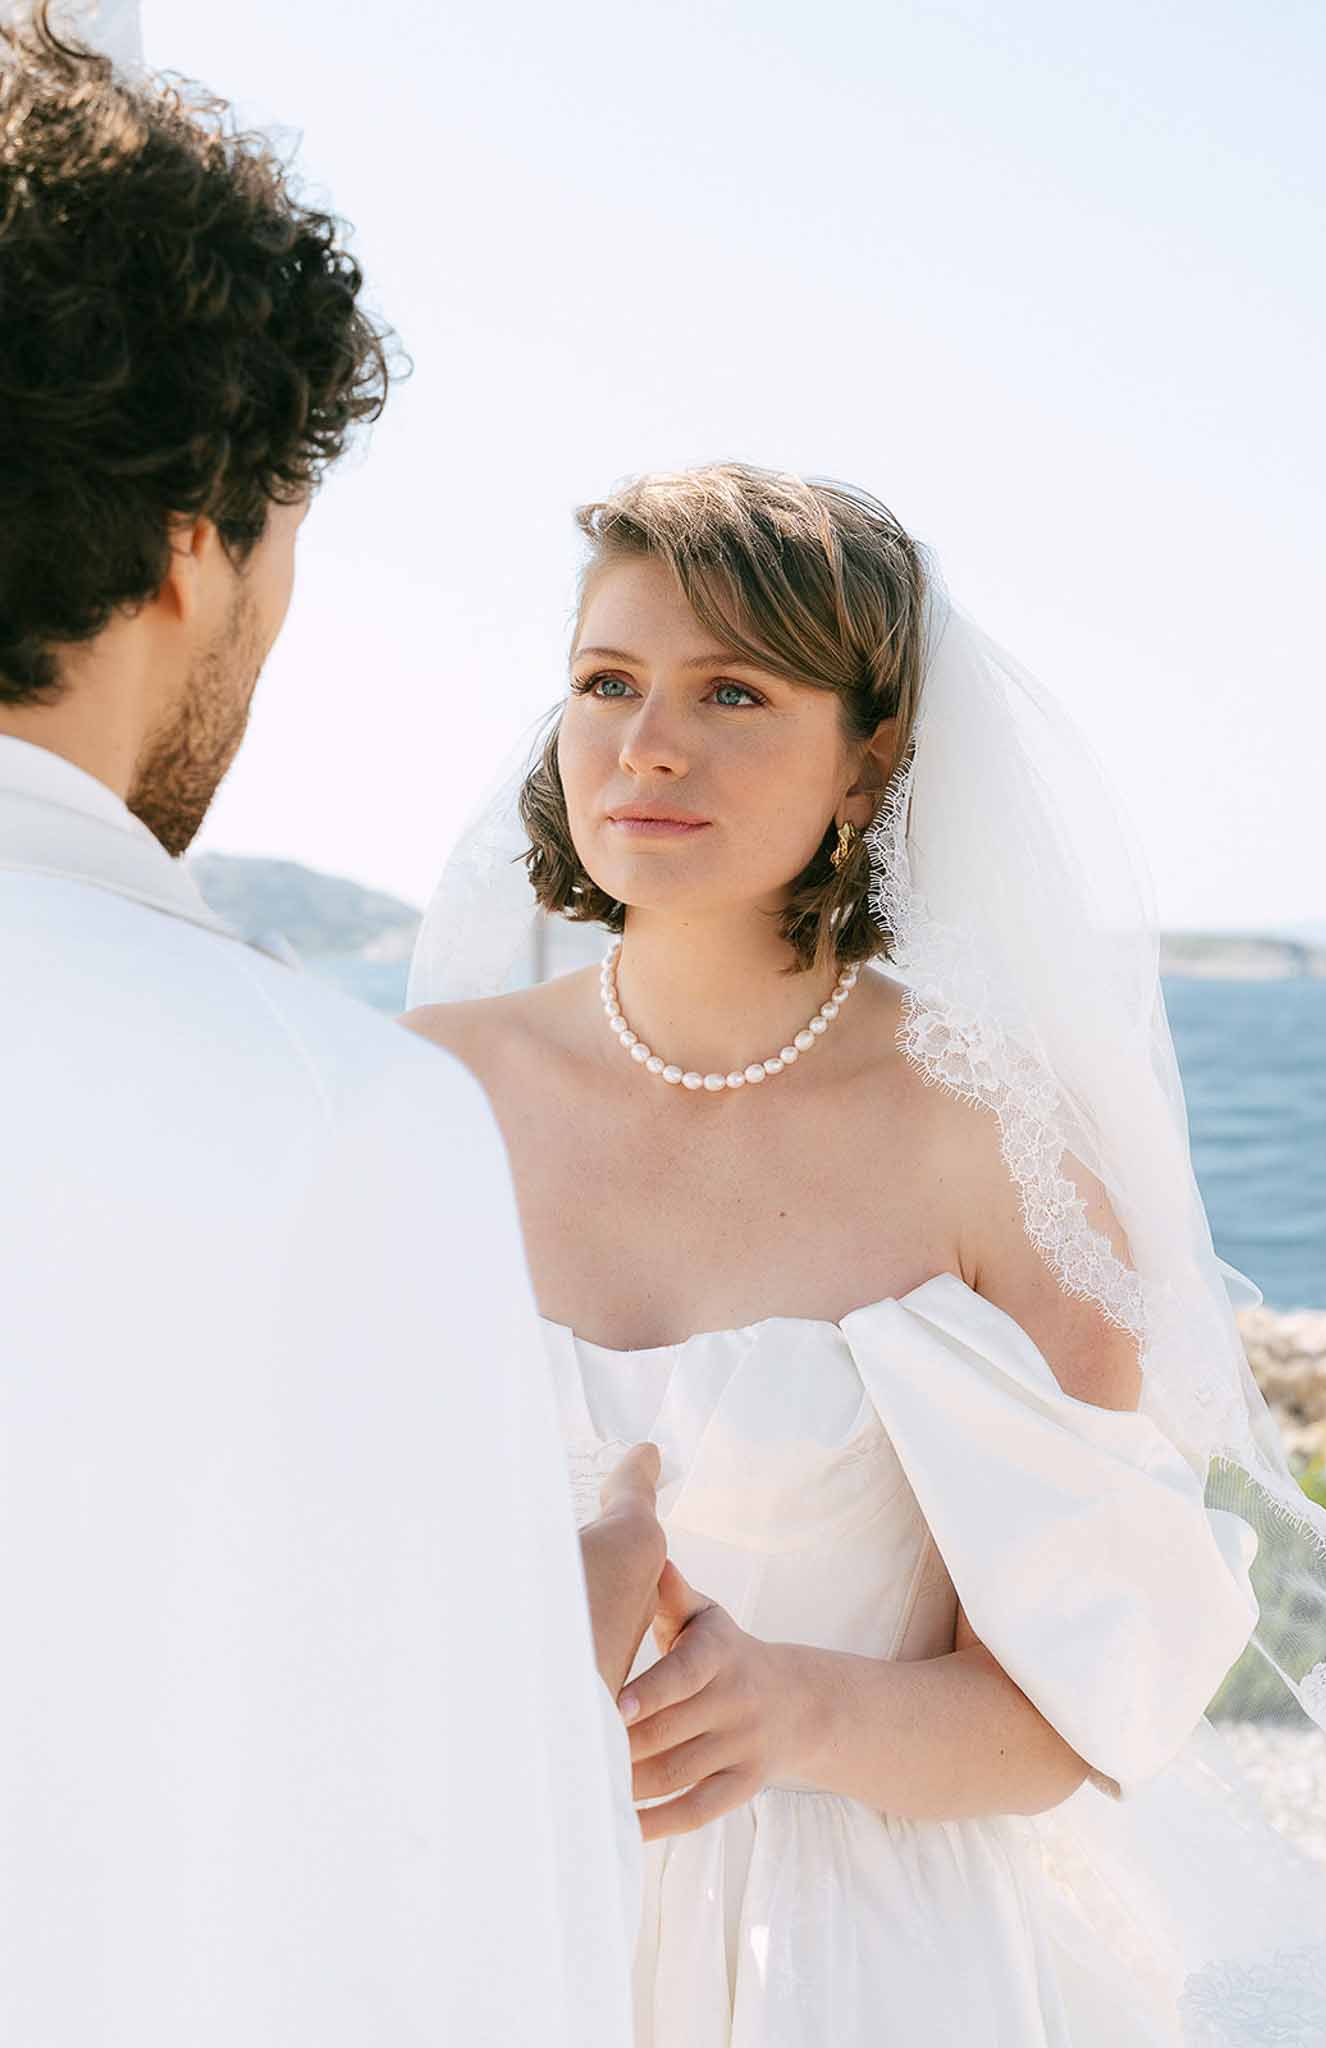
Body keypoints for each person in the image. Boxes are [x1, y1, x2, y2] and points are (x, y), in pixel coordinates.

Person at [405, 461, 1326, 2044]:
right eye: (606, 682)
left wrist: (795, 1709)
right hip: (485, 1920)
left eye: (734, 692)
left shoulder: (999, 1141)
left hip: (855, 1961)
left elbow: (1075, 1700)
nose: (646, 743)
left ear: (870, 762)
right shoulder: (422, 1094)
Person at [0, 12, 657, 2042]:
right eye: (292, 530)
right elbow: (455, 1928)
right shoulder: (333, 1120)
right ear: (197, 539)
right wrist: (567, 1652)